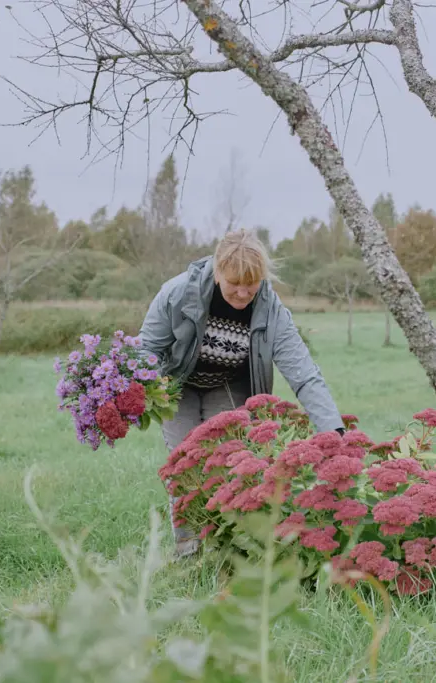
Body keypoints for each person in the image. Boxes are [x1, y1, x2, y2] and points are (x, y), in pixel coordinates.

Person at [138, 229, 346, 557]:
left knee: (230, 463)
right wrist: (130, 395)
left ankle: (229, 547)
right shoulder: (177, 293)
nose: (243, 292)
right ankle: (188, 549)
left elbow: (303, 373)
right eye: (235, 283)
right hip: (178, 387)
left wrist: (333, 432)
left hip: (228, 385)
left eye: (252, 284)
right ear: (218, 271)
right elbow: (147, 349)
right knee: (184, 465)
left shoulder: (269, 307)